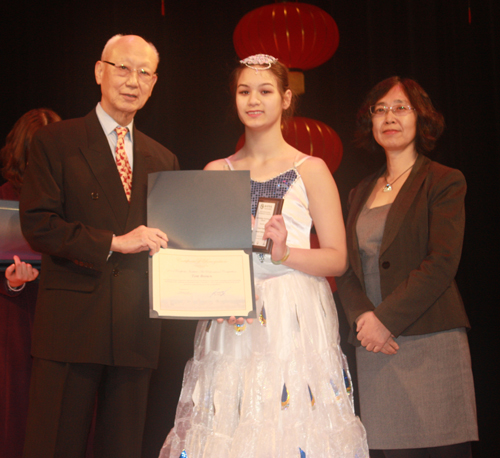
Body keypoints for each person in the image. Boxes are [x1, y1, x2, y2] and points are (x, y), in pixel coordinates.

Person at [159, 54, 368, 458]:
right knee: (230, 419)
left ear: (286, 99)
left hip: (294, 313)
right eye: (244, 91)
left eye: (265, 91)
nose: (254, 100)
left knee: (291, 423)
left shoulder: (312, 169)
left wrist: (286, 253)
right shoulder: (216, 171)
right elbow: (204, 257)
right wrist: (213, 296)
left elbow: (337, 259)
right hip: (232, 314)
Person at [19, 35, 180, 458]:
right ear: (99, 71)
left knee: (124, 447)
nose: (133, 81)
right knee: (54, 444)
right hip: (71, 323)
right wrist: (114, 243)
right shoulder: (56, 141)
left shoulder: (163, 158)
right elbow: (39, 225)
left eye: (144, 73)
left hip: (135, 327)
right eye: (123, 68)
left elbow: (176, 245)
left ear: (155, 82)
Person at [336, 76, 478, 457]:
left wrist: (387, 320)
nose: (389, 117)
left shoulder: (443, 180)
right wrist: (364, 319)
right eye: (379, 110)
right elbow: (346, 268)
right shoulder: (358, 190)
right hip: (376, 346)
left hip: (431, 340)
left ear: (421, 118)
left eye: (401, 108)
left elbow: (442, 262)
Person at [0, 108, 60, 458]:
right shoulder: (5, 197)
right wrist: (13, 284)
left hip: (68, 314)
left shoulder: (73, 198)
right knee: (20, 403)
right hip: (19, 319)